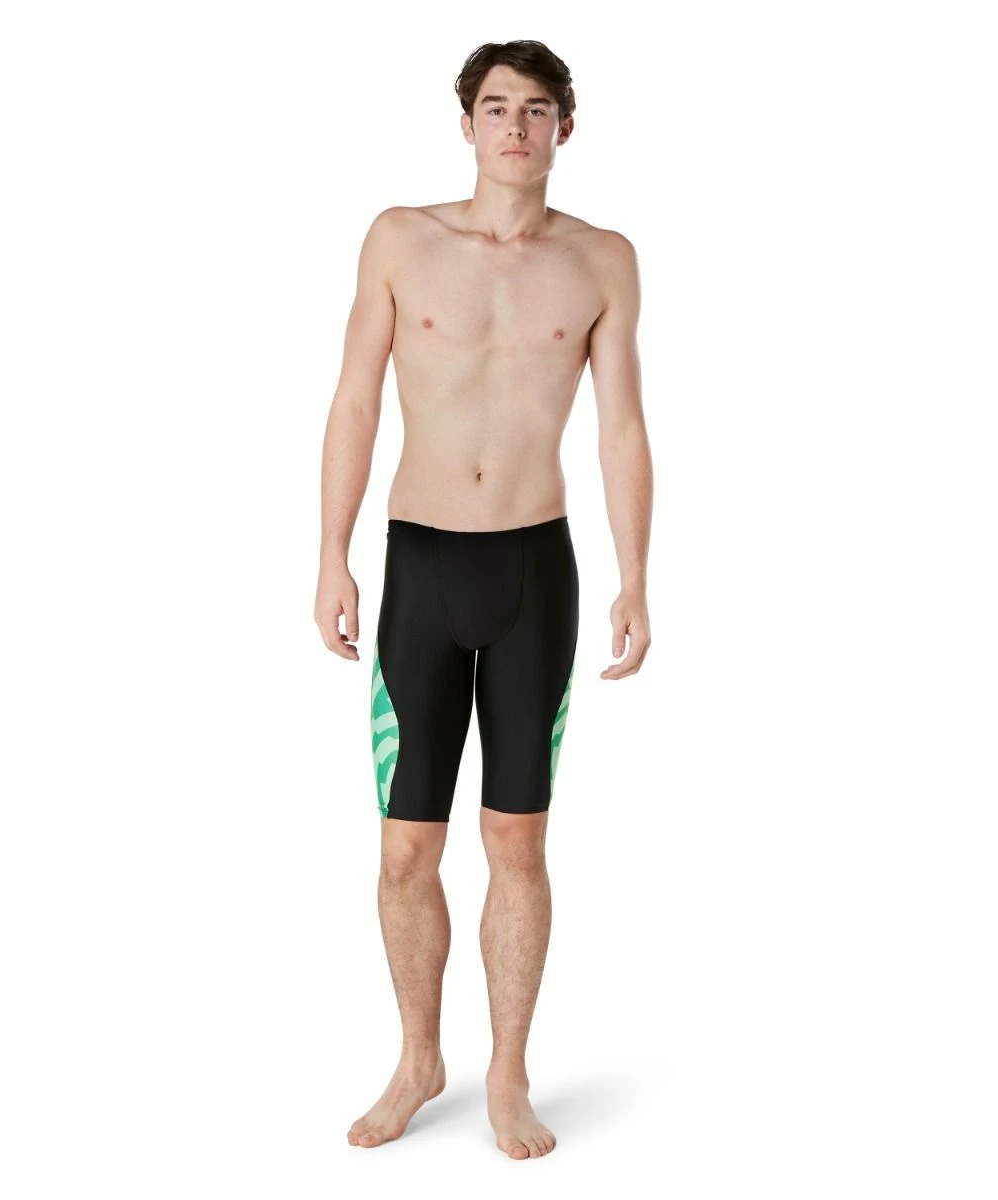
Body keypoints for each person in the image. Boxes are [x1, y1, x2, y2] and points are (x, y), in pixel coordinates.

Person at [314, 39, 653, 1160]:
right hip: (420, 569)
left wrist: (635, 576)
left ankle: (508, 1070)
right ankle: (420, 1057)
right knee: (405, 849)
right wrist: (331, 554)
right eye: (497, 108)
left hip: (532, 576)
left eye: (537, 109)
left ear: (565, 128)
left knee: (518, 840)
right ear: (467, 125)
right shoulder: (401, 240)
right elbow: (355, 401)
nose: (516, 126)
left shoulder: (602, 260)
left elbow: (620, 425)